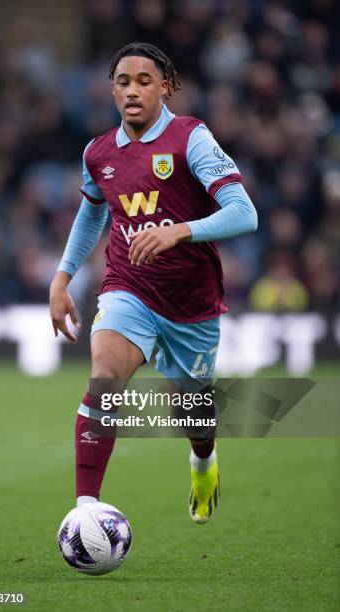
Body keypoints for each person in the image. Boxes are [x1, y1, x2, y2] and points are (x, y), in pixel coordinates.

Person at [49, 42, 258, 524]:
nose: (133, 91)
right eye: (123, 82)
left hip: (192, 302)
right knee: (104, 380)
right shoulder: (97, 152)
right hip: (129, 288)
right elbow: (90, 214)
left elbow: (245, 214)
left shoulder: (192, 138)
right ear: (112, 91)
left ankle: (203, 461)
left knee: (195, 419)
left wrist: (180, 230)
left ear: (166, 86)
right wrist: (62, 278)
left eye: (144, 81)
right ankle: (85, 510)